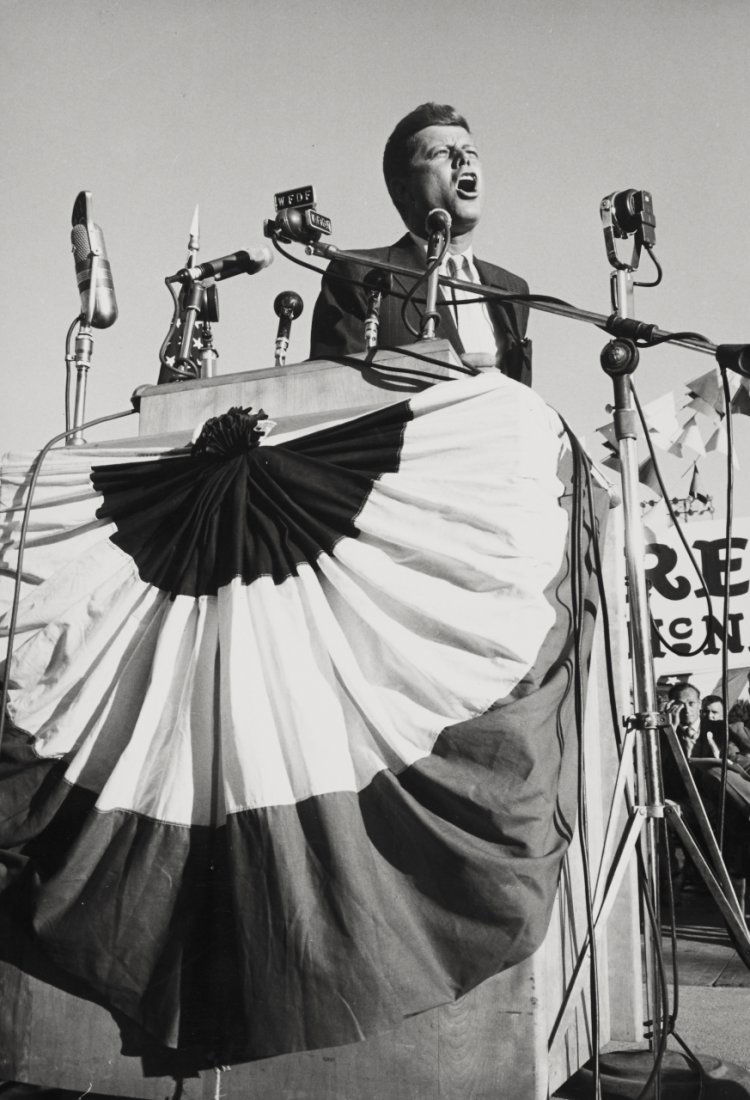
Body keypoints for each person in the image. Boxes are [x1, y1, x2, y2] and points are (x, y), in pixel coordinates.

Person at [309, 102, 531, 385]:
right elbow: (332, 390)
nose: (464, 159)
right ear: (403, 190)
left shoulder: (512, 291)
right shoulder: (357, 275)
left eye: (471, 151)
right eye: (441, 153)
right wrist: (451, 383)